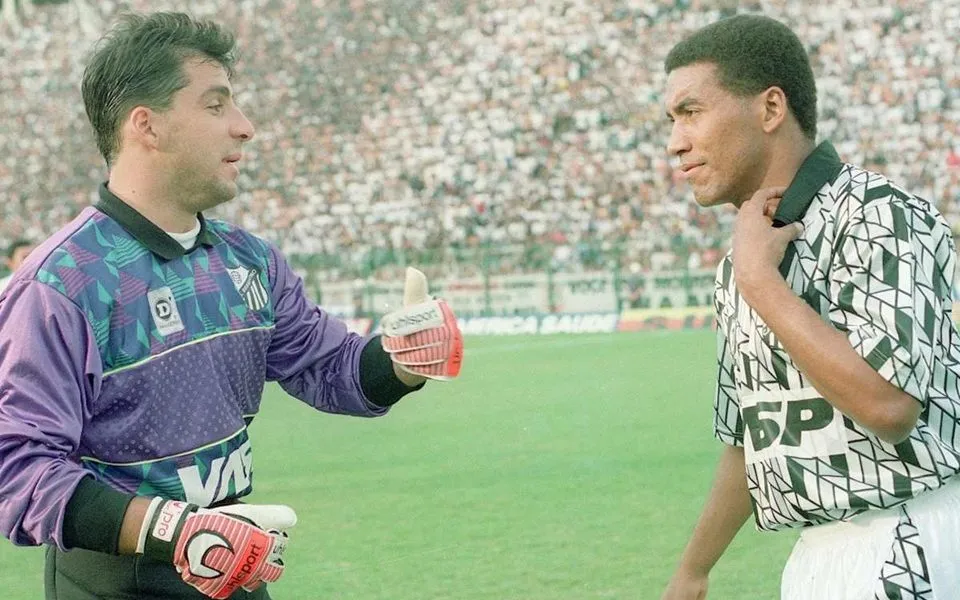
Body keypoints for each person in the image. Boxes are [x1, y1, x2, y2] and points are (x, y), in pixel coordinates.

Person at [0, 12, 462, 600]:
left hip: (235, 561)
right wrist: (172, 530)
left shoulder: (250, 261)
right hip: (118, 577)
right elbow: (19, 468)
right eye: (216, 105)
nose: (245, 127)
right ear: (147, 125)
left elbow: (331, 369)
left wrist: (401, 358)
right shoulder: (60, 285)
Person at [659, 14, 960, 600]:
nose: (675, 141)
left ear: (770, 110)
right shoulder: (742, 261)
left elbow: (889, 404)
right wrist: (694, 569)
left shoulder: (878, 213)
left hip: (910, 533)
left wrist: (761, 285)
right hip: (814, 555)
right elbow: (756, 433)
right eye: (672, 121)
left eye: (691, 113)